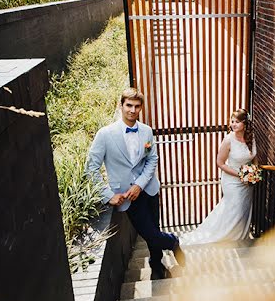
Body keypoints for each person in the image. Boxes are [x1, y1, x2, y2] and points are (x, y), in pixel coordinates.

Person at [86, 87, 185, 280]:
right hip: (126, 196)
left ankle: (156, 266)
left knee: (153, 230)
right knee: (150, 233)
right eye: (128, 105)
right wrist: (108, 195)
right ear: (121, 105)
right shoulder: (105, 134)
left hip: (148, 189)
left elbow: (152, 159)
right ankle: (173, 242)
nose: (132, 110)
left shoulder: (147, 131)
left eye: (137, 106)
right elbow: (90, 169)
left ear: (141, 108)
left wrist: (139, 184)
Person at [181, 108, 257, 246]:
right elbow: (220, 163)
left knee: (243, 209)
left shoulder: (251, 137)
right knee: (235, 208)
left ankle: (240, 236)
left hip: (247, 181)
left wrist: (254, 173)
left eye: (237, 122)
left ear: (245, 124)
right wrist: (241, 175)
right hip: (232, 181)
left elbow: (254, 157)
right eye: (232, 121)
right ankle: (228, 237)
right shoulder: (228, 140)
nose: (233, 124)